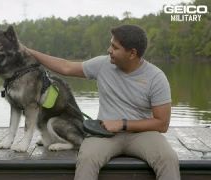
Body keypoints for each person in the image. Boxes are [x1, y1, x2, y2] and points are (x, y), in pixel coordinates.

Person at [25, 24, 180, 180]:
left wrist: (122, 124)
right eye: (110, 44)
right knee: (87, 159)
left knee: (168, 159)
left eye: (115, 47)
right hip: (104, 134)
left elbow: (162, 124)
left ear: (132, 53)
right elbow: (66, 67)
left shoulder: (156, 77)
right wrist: (30, 52)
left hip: (142, 135)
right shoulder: (102, 65)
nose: (109, 50)